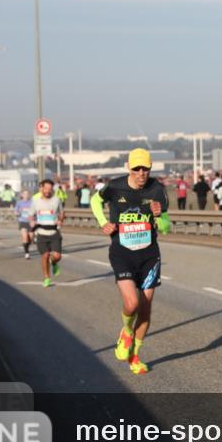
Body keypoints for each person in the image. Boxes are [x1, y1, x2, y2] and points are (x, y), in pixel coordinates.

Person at [90, 149, 170, 375]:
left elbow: (166, 227)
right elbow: (95, 202)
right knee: (132, 304)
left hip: (149, 256)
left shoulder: (157, 189)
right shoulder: (115, 187)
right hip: (122, 253)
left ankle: (135, 356)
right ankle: (126, 331)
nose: (141, 173)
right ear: (128, 167)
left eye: (145, 168)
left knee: (145, 310)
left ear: (151, 167)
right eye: (136, 169)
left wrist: (159, 216)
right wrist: (102, 222)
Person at [31, 179, 65, 288]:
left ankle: (54, 262)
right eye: (45, 188)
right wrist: (32, 222)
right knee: (45, 255)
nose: (48, 191)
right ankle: (47, 278)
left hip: (54, 232)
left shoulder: (56, 200)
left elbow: (62, 213)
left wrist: (60, 219)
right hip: (41, 233)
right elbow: (31, 215)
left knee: (57, 256)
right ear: (41, 188)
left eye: (50, 189)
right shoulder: (36, 202)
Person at [16, 189, 34, 259]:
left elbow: (35, 211)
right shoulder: (19, 203)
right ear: (22, 195)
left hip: (30, 222)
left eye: (27, 194)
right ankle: (27, 253)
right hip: (22, 221)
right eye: (24, 194)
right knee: (24, 237)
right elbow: (16, 210)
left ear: (29, 195)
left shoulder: (32, 203)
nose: (26, 195)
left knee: (30, 238)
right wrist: (17, 213)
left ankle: (27, 246)